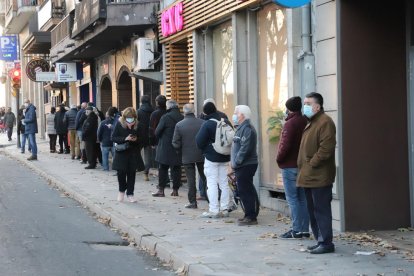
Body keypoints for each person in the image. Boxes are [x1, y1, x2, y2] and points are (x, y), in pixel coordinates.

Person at [297, 92, 336, 254]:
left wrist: (312, 163)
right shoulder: (312, 121)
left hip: (319, 175)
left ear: (317, 106)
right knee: (313, 210)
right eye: (304, 103)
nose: (304, 106)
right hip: (309, 175)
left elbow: (326, 149)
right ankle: (320, 240)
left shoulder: (325, 122)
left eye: (307, 103)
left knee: (321, 210)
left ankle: (326, 243)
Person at [277, 97, 310, 239]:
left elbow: (285, 145)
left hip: (289, 166)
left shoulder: (290, 124)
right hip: (302, 165)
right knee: (302, 198)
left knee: (292, 199)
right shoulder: (305, 121)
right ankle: (304, 229)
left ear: (288, 108)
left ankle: (296, 229)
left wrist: (279, 159)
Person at [196, 102, 232, 218]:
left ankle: (214, 210)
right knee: (224, 183)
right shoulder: (225, 121)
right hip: (225, 156)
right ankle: (225, 208)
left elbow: (199, 141)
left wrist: (207, 149)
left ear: (205, 112)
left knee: (211, 184)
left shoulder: (207, 124)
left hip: (211, 158)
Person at [172, 103, 206, 209]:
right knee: (206, 177)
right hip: (202, 155)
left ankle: (192, 202)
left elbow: (175, 143)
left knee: (191, 180)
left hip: (187, 156)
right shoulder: (203, 123)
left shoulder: (179, 125)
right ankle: (211, 199)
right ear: (194, 111)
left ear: (184, 111)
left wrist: (180, 151)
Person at [230, 105, 260, 226]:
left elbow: (245, 149)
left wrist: (236, 162)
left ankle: (251, 217)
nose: (234, 115)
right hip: (241, 165)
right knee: (243, 191)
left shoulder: (248, 129)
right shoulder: (241, 128)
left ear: (242, 115)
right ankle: (248, 214)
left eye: (236, 113)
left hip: (246, 165)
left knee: (246, 191)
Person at [152, 99, 184, 197]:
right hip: (177, 147)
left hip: (165, 147)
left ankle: (161, 190)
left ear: (169, 107)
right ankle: (175, 190)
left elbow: (157, 132)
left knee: (163, 169)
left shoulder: (165, 117)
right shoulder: (182, 117)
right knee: (176, 169)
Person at [111, 107, 142, 203]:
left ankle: (130, 193)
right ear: (124, 117)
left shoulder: (138, 125)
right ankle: (121, 191)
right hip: (121, 153)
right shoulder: (119, 124)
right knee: (121, 173)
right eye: (128, 117)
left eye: (132, 117)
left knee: (131, 174)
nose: (130, 119)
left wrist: (136, 139)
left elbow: (143, 139)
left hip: (133, 153)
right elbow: (113, 137)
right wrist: (125, 138)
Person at [137, 95, 154, 181]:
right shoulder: (153, 111)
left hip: (140, 136)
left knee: (135, 152)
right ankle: (145, 173)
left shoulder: (139, 111)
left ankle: (137, 167)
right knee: (148, 156)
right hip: (150, 136)